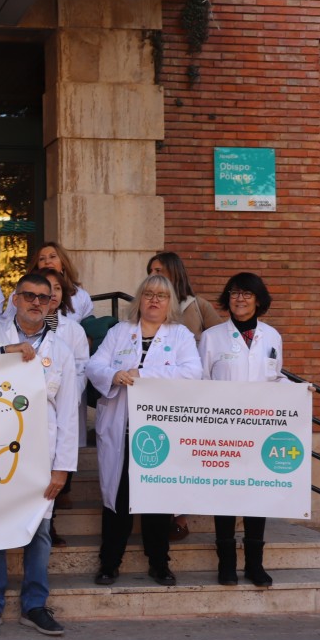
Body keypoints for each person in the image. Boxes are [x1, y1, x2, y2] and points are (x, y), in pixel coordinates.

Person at [0, 273, 78, 636]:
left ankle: (35, 605)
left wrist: (63, 469)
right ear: (14, 299)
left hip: (40, 456)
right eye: (29, 296)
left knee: (39, 532)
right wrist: (3, 354)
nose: (36, 303)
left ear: (51, 304)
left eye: (44, 298)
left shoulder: (60, 350)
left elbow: (70, 411)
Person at [85, 274, 202, 587]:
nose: (154, 300)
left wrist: (144, 373)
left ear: (169, 303)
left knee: (158, 499)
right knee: (117, 501)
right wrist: (114, 374)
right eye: (148, 294)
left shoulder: (180, 335)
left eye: (161, 296)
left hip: (159, 434)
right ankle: (109, 563)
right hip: (122, 430)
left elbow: (193, 373)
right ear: (139, 299)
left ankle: (159, 564)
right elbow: (94, 365)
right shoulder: (121, 332)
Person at [199, 272, 286, 588]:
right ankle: (226, 565)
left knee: (255, 497)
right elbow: (201, 384)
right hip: (223, 432)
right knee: (224, 497)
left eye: (247, 294)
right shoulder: (212, 337)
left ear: (258, 299)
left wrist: (298, 391)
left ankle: (254, 564)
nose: (240, 299)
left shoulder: (272, 337)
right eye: (234, 293)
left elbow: (274, 379)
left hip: (259, 430)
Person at [147, 251, 224, 541]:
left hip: (189, 393)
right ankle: (156, 511)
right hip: (155, 396)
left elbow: (222, 339)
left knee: (182, 455)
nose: (155, 274)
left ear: (176, 273)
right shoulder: (145, 304)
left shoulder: (196, 305)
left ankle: (180, 515)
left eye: (161, 270)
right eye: (151, 270)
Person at [38, 267, 90, 545]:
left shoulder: (75, 330)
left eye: (57, 288)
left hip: (63, 404)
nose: (52, 293)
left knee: (60, 469)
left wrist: (68, 392)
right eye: (48, 287)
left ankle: (51, 524)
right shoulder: (23, 326)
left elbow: (82, 368)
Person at [12, 242, 93, 322]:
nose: (47, 262)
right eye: (42, 259)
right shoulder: (21, 293)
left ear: (63, 263)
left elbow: (88, 328)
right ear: (37, 266)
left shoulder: (81, 296)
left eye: (52, 256)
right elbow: (9, 322)